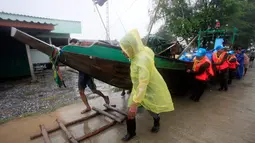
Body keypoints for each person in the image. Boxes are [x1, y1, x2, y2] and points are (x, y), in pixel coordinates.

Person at [119, 29, 174, 141]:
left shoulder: (142, 61)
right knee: (130, 113)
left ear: (131, 47)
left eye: (124, 50)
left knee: (152, 110)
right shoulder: (142, 51)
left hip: (148, 88)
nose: (122, 52)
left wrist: (135, 104)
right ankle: (131, 133)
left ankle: (157, 121)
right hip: (138, 88)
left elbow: (143, 85)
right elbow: (151, 54)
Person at [69, 38, 110, 114]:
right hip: (81, 74)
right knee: (81, 92)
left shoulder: (85, 50)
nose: (72, 47)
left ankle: (105, 97)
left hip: (88, 73)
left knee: (94, 91)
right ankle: (88, 107)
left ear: (77, 43)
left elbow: (93, 58)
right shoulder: (74, 53)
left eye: (73, 45)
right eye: (71, 46)